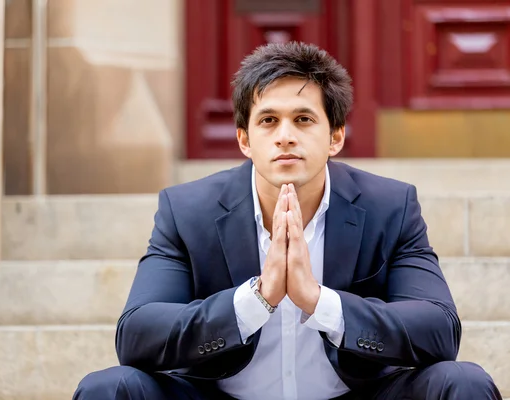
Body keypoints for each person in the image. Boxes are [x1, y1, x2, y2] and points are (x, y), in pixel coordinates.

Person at [73, 42, 502, 400]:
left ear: (335, 136)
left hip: (353, 395)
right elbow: (136, 335)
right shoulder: (188, 210)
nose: (285, 135)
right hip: (224, 396)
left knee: (463, 382)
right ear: (244, 139)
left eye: (303, 119)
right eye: (268, 121)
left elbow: (440, 330)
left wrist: (320, 302)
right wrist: (256, 300)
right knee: (108, 389)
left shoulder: (390, 206)